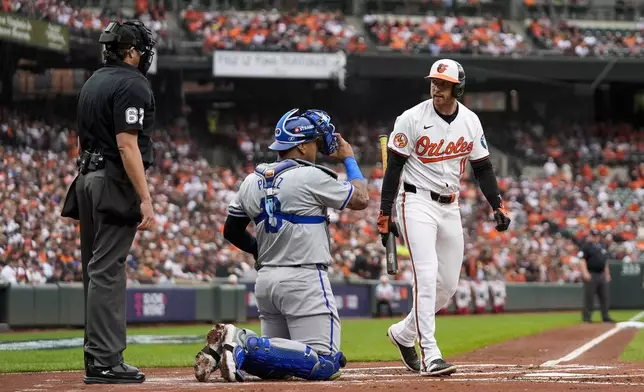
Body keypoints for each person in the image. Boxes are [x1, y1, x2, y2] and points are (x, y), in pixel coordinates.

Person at [193, 108, 369, 383]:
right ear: (300, 145)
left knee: (279, 366)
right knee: (325, 363)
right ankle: (242, 340)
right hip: (304, 279)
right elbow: (360, 199)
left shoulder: (251, 180)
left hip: (266, 281)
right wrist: (349, 159)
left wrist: (258, 250)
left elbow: (232, 230)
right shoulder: (311, 176)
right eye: (314, 142)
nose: (317, 147)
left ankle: (229, 349)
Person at [377, 59, 511, 376]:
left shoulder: (470, 121)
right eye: (434, 82)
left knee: (447, 285)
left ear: (457, 88)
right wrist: (384, 213)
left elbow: (483, 168)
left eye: (444, 83)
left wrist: (497, 204)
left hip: (450, 205)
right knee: (426, 274)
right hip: (415, 201)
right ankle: (431, 354)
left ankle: (404, 333)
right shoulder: (411, 118)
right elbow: (393, 168)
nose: (436, 88)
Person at [63, 19, 156, 384]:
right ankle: (104, 361)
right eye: (142, 49)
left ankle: (96, 357)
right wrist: (145, 198)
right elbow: (127, 144)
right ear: (131, 52)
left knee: (95, 271)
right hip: (113, 180)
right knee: (107, 271)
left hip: (86, 177)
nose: (146, 55)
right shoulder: (132, 83)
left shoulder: (93, 81)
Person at [579, 230, 615, 323]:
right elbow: (582, 260)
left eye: (597, 236)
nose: (595, 237)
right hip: (591, 273)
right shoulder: (586, 247)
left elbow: (605, 261)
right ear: (590, 236)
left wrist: (607, 274)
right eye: (594, 236)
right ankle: (587, 318)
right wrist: (585, 272)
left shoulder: (602, 246)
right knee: (589, 297)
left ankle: (605, 316)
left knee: (604, 297)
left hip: (601, 274)